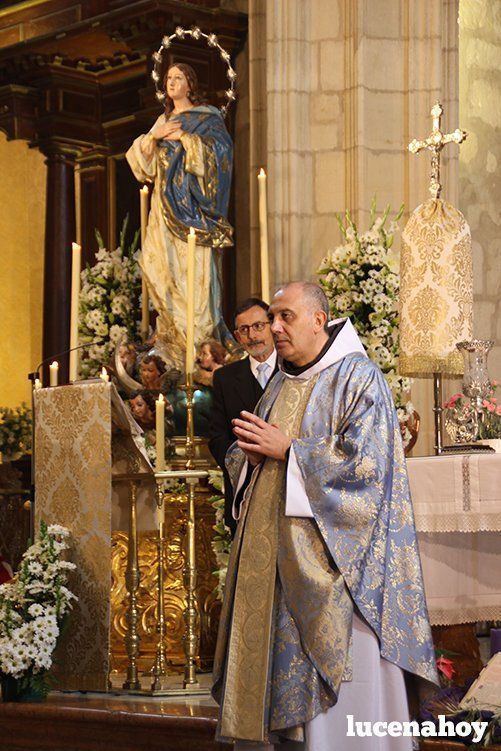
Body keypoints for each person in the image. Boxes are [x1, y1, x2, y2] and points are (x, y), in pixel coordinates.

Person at [212, 282, 438, 750]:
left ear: (319, 320)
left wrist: (289, 451)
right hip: (271, 571)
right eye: (271, 317)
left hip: (334, 578)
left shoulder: (358, 378)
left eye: (285, 317)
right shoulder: (278, 381)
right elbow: (252, 454)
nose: (274, 327)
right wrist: (249, 456)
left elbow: (369, 472)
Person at [126, 62, 234, 371]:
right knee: (157, 267)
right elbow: (140, 165)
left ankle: (196, 345)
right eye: (169, 78)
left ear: (190, 84)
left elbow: (221, 153)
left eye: (179, 77)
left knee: (192, 277)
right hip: (162, 210)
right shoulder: (162, 121)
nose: (172, 82)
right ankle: (171, 340)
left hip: (192, 212)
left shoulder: (207, 118)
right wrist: (155, 136)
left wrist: (186, 140)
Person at [209, 298, 277, 536]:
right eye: (244, 330)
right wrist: (248, 458)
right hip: (244, 493)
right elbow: (217, 438)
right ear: (237, 337)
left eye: (258, 326)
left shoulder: (294, 371)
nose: (252, 335)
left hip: (287, 491)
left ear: (272, 326)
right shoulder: (225, 379)